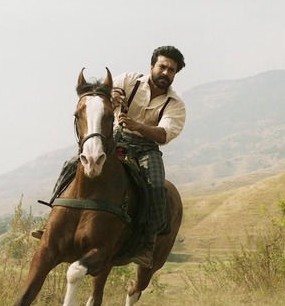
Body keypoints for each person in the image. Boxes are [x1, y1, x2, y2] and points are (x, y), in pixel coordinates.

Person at [36, 46, 187, 269]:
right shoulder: (128, 80)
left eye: (171, 70)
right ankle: (52, 223)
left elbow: (164, 134)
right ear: (152, 66)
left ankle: (147, 243)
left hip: (146, 148)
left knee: (156, 186)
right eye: (162, 67)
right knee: (71, 164)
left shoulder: (175, 104)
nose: (165, 72)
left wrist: (138, 126)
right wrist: (113, 95)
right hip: (115, 139)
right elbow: (102, 96)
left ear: (175, 74)